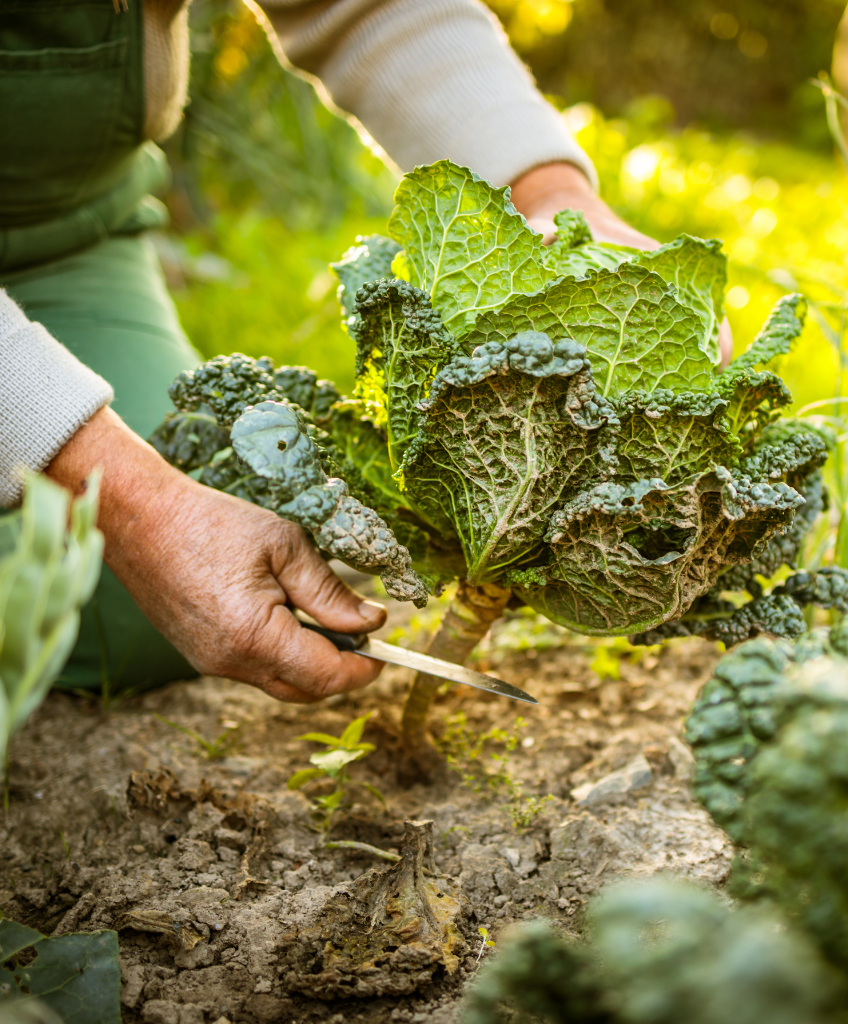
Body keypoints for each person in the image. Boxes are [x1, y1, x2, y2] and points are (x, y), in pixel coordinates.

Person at [0, 0, 719, 706]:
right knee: (74, 576)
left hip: (66, 232)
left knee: (156, 608)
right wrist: (131, 503)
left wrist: (552, 190)